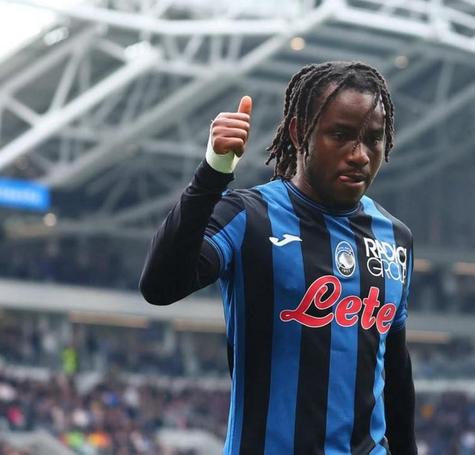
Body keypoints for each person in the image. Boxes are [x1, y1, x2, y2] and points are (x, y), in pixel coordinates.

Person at [140, 61, 416, 454]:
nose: (360, 155)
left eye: (373, 138)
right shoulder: (248, 216)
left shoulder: (395, 239)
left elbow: (396, 377)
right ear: (299, 133)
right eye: (340, 135)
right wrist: (214, 171)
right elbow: (160, 286)